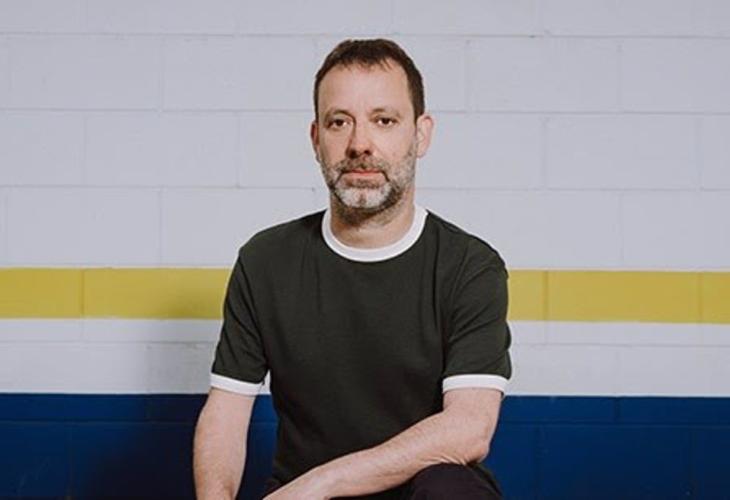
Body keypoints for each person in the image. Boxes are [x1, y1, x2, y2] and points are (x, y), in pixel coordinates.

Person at [193, 38, 512, 500]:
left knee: (452, 488)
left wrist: (321, 484)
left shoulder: (469, 267)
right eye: (339, 122)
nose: (360, 144)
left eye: (384, 120)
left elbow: (468, 429)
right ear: (316, 138)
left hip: (395, 493)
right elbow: (225, 413)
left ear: (421, 135)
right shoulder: (265, 261)